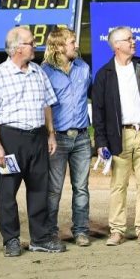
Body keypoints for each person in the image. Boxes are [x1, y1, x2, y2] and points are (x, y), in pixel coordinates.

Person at [0, 26, 66, 256]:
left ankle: (39, 238)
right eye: (31, 42)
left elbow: (47, 104)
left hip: (37, 137)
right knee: (8, 192)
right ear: (18, 48)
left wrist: (50, 134)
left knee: (40, 189)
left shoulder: (38, 72)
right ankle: (11, 239)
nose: (35, 46)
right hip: (10, 139)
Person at [92, 26, 140, 246]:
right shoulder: (104, 75)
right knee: (118, 186)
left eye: (133, 37)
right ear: (116, 46)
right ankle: (117, 230)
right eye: (129, 39)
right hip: (119, 137)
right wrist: (101, 142)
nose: (134, 41)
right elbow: (98, 113)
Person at [42, 28, 93, 247]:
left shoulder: (83, 68)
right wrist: (50, 134)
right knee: (54, 190)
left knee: (81, 188)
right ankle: (50, 232)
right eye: (72, 42)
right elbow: (43, 107)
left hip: (82, 137)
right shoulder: (44, 72)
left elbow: (95, 95)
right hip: (58, 140)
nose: (76, 45)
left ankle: (80, 230)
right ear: (59, 46)